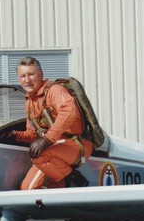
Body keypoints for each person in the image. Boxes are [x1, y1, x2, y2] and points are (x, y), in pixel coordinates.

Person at [11, 57, 93, 190]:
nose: (27, 79)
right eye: (23, 76)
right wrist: (16, 135)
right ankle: (65, 185)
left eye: (31, 74)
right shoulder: (30, 103)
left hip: (77, 144)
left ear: (41, 74)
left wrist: (46, 140)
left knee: (40, 154)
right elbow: (32, 133)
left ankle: (74, 178)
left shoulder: (54, 90)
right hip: (54, 149)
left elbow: (69, 111)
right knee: (27, 189)